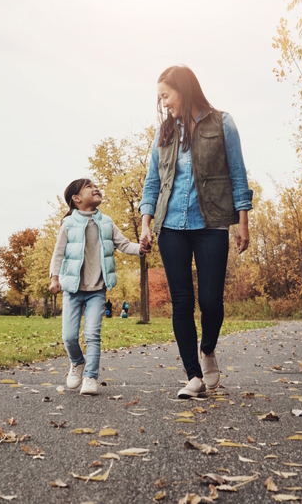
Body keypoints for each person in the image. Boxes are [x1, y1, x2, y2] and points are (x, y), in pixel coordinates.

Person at [139, 65, 253, 399]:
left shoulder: (222, 123)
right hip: (171, 226)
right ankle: (193, 375)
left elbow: (238, 174)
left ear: (183, 89)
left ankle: (208, 350)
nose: (163, 103)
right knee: (182, 303)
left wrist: (243, 222)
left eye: (166, 95)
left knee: (211, 302)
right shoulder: (163, 133)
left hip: (211, 223)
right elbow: (152, 183)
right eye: (160, 97)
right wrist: (147, 224)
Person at [50, 178, 149, 395]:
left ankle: (90, 377)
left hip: (97, 290)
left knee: (93, 334)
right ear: (76, 198)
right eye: (89, 187)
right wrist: (54, 278)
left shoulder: (106, 222)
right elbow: (58, 253)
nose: (96, 189)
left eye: (96, 186)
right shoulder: (68, 224)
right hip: (73, 290)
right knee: (69, 336)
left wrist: (140, 248)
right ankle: (77, 363)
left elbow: (123, 244)